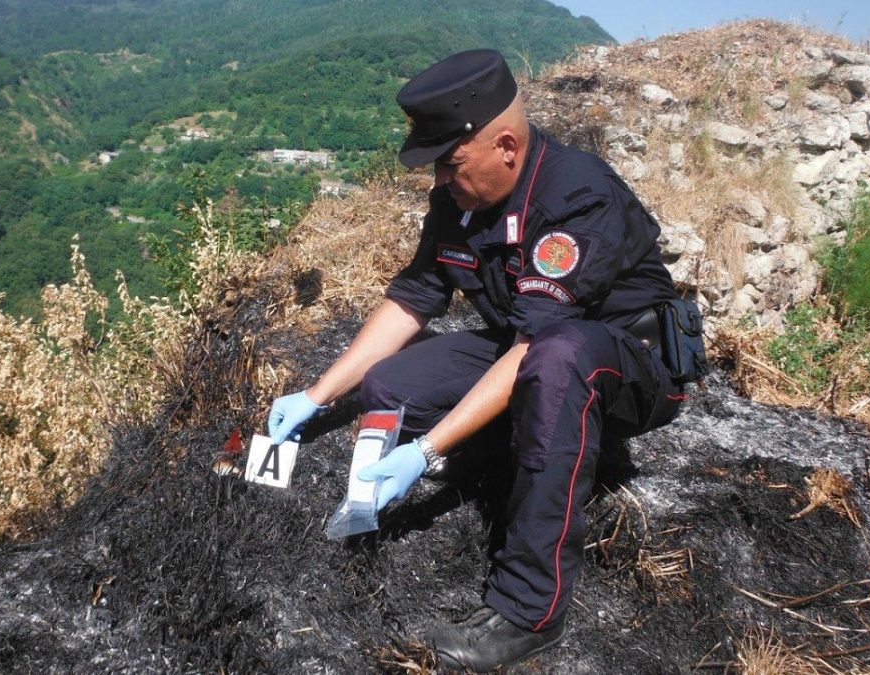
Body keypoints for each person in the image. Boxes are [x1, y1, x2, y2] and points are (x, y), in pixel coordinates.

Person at [267, 48, 697, 671]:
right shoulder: (459, 199)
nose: (440, 178)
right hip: (533, 341)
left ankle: (530, 610)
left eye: (450, 163)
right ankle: (485, 456)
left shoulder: (578, 194)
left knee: (558, 360)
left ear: (506, 147)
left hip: (627, 364)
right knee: (391, 382)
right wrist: (317, 395)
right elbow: (415, 298)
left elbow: (537, 346)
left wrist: (429, 449)